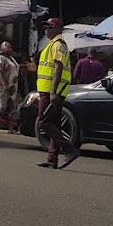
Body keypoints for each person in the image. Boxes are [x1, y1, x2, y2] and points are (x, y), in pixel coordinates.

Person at [36, 18, 78, 170]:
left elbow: (58, 67)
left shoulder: (58, 45)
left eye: (50, 27)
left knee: (43, 123)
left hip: (52, 92)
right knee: (53, 124)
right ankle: (52, 159)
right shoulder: (52, 44)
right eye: (46, 27)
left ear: (58, 29)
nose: (47, 29)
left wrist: (53, 92)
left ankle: (70, 150)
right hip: (49, 91)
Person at [0, 41, 21, 132]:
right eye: (7, 47)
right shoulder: (0, 58)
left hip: (12, 86)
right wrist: (4, 85)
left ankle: (11, 128)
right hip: (2, 86)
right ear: (2, 49)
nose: (10, 49)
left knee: (11, 106)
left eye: (10, 47)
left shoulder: (12, 59)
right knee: (0, 107)